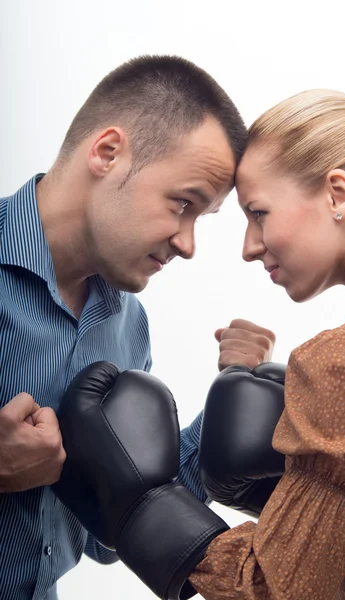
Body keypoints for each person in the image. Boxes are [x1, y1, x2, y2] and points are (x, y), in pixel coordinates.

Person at [0, 54, 275, 600]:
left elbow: (120, 523)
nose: (187, 244)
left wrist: (234, 395)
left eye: (201, 218)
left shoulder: (128, 324)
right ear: (107, 153)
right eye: (183, 204)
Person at [187, 89, 345, 599]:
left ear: (337, 195)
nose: (248, 247)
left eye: (258, 212)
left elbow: (272, 591)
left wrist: (142, 503)